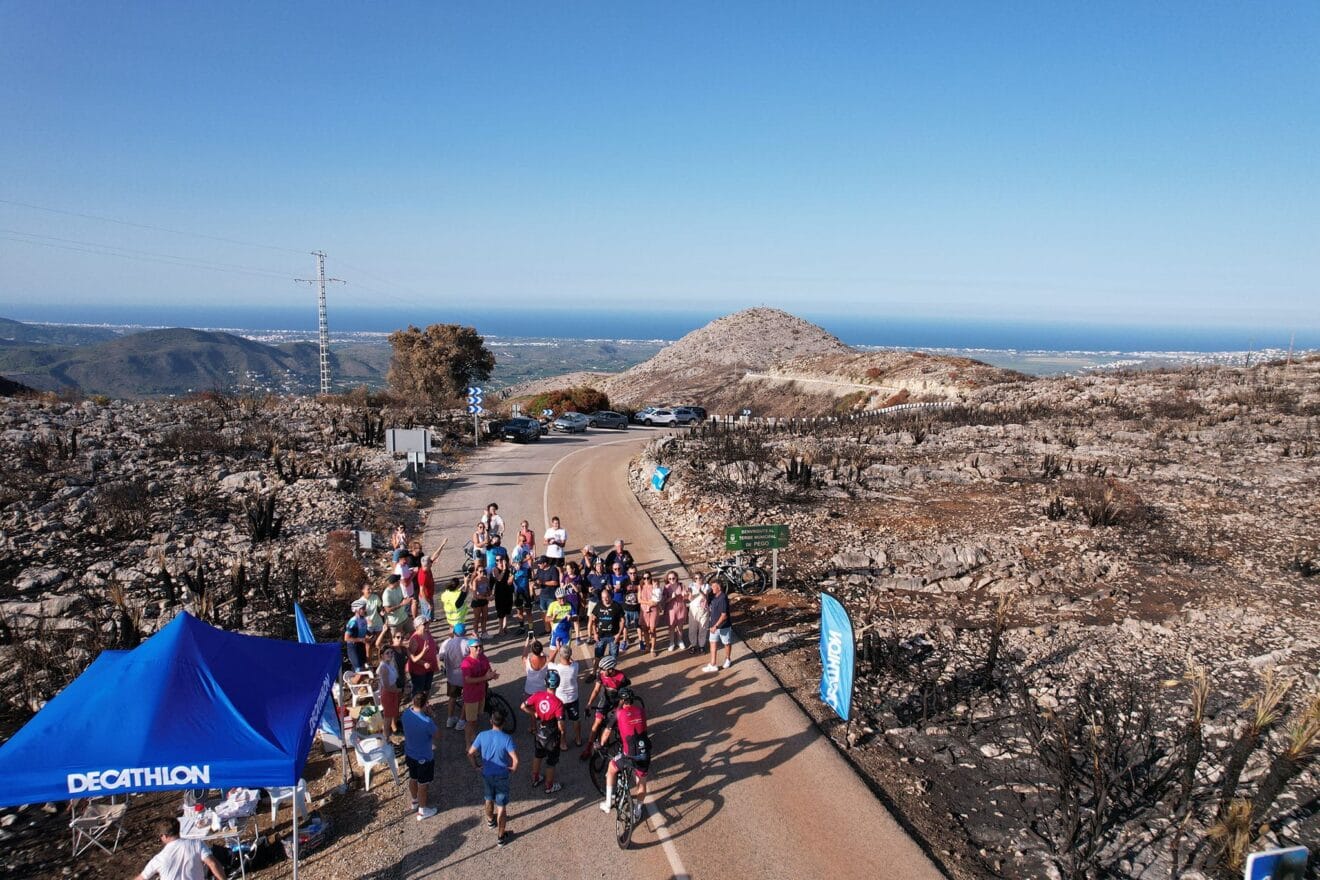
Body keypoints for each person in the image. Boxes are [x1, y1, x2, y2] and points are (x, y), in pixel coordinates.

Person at [468, 709, 518, 847]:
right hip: (502, 776)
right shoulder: (507, 738)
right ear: (503, 723)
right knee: (501, 807)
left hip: (487, 774)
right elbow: (515, 760)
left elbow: (470, 753)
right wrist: (513, 768)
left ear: (491, 721)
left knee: (488, 798)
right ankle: (501, 837)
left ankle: (490, 820)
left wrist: (476, 766)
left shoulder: (482, 735)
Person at [599, 686, 650, 819]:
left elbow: (606, 734)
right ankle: (638, 810)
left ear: (621, 700)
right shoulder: (640, 711)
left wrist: (600, 744)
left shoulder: (619, 713)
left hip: (629, 754)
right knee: (642, 782)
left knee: (611, 768)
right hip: (644, 752)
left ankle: (608, 803)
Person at [521, 669, 566, 794]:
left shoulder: (538, 695)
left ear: (545, 682)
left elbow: (523, 706)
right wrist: (562, 735)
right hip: (552, 735)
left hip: (540, 731)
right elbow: (561, 724)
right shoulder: (558, 703)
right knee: (551, 762)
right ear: (557, 684)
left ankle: (535, 778)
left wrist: (534, 713)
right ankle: (549, 786)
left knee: (538, 755)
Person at [133, 819, 225, 880]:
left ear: (164, 836)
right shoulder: (197, 844)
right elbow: (212, 864)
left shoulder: (158, 859)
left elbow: (142, 878)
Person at [402, 692, 444, 820]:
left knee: (413, 778)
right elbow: (438, 736)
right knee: (423, 784)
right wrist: (431, 715)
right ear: (426, 704)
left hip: (410, 753)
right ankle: (422, 810)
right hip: (424, 757)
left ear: (413, 702)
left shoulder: (405, 714)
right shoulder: (427, 721)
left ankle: (414, 801)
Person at [581, 654, 629, 759]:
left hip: (618, 702)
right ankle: (588, 748)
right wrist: (589, 704)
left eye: (603, 669)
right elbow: (596, 690)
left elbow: (624, 698)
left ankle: (625, 747)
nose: (601, 671)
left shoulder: (621, 678)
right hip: (606, 700)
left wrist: (618, 712)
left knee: (620, 725)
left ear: (611, 669)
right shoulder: (601, 674)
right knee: (596, 723)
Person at [460, 637, 498, 748]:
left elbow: (488, 671)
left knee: (475, 718)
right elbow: (468, 680)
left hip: (481, 693)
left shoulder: (483, 658)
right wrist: (485, 677)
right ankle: (468, 744)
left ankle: (473, 735)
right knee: (470, 721)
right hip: (471, 696)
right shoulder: (466, 663)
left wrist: (492, 675)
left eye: (480, 646)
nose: (479, 649)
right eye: (476, 647)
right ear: (470, 648)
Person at [548, 645, 583, 746]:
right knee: (576, 719)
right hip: (573, 698)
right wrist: (567, 654)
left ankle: (563, 742)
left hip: (560, 700)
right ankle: (578, 739)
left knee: (561, 720)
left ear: (560, 655)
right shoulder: (575, 666)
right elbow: (572, 660)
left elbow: (550, 661)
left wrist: (557, 650)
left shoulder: (556, 668)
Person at [440, 622, 469, 730]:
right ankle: (461, 721)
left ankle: (450, 719)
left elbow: (441, 657)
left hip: (452, 675)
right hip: (466, 676)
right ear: (465, 632)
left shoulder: (447, 643)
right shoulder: (467, 643)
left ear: (454, 632)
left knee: (452, 697)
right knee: (467, 698)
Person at [702, 578, 733, 672]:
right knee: (712, 643)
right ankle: (713, 664)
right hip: (713, 626)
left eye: (713, 587)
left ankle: (728, 659)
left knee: (726, 643)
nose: (712, 588)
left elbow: (724, 615)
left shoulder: (723, 598)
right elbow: (708, 603)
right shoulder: (714, 596)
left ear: (719, 587)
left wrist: (716, 626)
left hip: (723, 626)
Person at [589, 588, 623, 670]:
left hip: (613, 636)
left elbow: (622, 621)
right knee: (597, 657)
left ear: (610, 596)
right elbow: (593, 620)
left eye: (607, 597)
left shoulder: (617, 606)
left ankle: (611, 674)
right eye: (603, 597)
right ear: (601, 598)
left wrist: (619, 634)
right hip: (601, 636)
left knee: (613, 657)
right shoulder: (598, 605)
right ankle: (594, 673)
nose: (605, 599)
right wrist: (595, 633)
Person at [407, 616, 439, 699]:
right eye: (425, 623)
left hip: (430, 666)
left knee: (427, 688)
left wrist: (436, 646)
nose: (427, 624)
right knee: (418, 691)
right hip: (419, 670)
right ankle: (417, 708)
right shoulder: (414, 639)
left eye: (427, 622)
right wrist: (423, 663)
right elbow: (412, 657)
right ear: (418, 626)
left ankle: (425, 705)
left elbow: (431, 641)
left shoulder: (427, 632)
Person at [377, 645, 403, 736]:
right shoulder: (383, 667)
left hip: (393, 692)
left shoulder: (390, 664)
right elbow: (386, 686)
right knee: (387, 719)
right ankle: (386, 740)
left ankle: (387, 738)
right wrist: (398, 690)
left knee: (390, 716)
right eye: (387, 653)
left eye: (391, 652)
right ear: (382, 655)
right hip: (388, 694)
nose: (390, 654)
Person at [380, 573, 412, 645]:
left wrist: (406, 600)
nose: (400, 581)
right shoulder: (386, 594)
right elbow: (387, 609)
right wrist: (401, 604)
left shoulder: (398, 587)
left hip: (404, 617)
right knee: (395, 642)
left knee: (412, 633)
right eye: (398, 580)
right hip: (394, 622)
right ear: (395, 582)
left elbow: (402, 598)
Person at [663, 570, 689, 652]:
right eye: (669, 579)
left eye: (673, 578)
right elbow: (664, 601)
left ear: (676, 577)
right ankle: (671, 642)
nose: (671, 580)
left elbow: (686, 598)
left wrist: (685, 595)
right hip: (670, 610)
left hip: (681, 608)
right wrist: (671, 597)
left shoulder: (681, 585)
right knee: (671, 627)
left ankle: (680, 641)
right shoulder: (666, 587)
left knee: (680, 627)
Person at [637, 572, 662, 655]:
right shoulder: (640, 586)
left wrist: (652, 603)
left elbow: (657, 600)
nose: (646, 580)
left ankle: (652, 649)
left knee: (652, 629)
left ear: (651, 577)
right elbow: (639, 600)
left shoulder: (654, 586)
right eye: (644, 578)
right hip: (644, 610)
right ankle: (647, 646)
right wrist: (649, 603)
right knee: (645, 629)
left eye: (648, 578)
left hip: (653, 610)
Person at [687, 572, 711, 655]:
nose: (698, 580)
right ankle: (693, 645)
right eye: (696, 578)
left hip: (703, 610)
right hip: (693, 609)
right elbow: (690, 598)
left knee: (703, 628)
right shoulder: (691, 585)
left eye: (699, 578)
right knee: (692, 628)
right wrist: (692, 593)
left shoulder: (706, 586)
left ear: (702, 578)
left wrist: (700, 591)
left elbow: (706, 597)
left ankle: (701, 646)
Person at [489, 555, 514, 634]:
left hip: (508, 591)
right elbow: (499, 578)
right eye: (497, 560)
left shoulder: (508, 568)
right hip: (499, 593)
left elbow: (510, 579)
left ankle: (505, 627)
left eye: (500, 559)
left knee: (507, 610)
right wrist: (503, 569)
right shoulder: (495, 569)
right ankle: (500, 629)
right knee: (500, 612)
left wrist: (511, 571)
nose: (499, 561)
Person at [344, 599, 371, 672]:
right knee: (359, 670)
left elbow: (364, 631)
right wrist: (361, 639)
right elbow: (346, 638)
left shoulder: (364, 619)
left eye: (365, 608)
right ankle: (350, 680)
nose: (365, 610)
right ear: (357, 610)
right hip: (353, 647)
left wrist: (369, 635)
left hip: (361, 645)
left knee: (363, 667)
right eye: (363, 608)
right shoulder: (353, 622)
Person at [359, 582, 384, 662]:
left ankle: (378, 660)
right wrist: (366, 619)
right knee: (368, 644)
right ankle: (369, 661)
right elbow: (359, 615)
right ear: (363, 590)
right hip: (368, 626)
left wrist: (381, 612)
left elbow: (380, 608)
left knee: (378, 643)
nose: (370, 590)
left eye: (371, 589)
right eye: (368, 589)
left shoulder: (375, 597)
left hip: (378, 622)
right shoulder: (360, 601)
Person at [522, 634, 548, 704]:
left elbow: (524, 656)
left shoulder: (527, 661)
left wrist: (526, 644)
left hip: (529, 690)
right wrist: (536, 643)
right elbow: (543, 653)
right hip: (542, 689)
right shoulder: (546, 659)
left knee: (531, 708)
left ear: (531, 650)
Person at [511, 554, 534, 634]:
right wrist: (513, 574)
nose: (518, 564)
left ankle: (531, 629)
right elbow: (509, 582)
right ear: (513, 563)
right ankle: (522, 628)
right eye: (516, 562)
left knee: (528, 612)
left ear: (521, 563)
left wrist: (532, 593)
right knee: (519, 611)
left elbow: (531, 582)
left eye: (519, 562)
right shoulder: (512, 570)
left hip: (526, 594)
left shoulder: (527, 570)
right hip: (517, 594)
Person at [468, 566, 491, 637]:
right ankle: (475, 634)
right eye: (480, 571)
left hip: (484, 600)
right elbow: (475, 595)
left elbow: (488, 590)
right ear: (477, 572)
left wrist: (490, 595)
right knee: (477, 619)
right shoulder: (475, 581)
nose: (482, 572)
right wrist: (487, 598)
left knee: (485, 617)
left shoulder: (486, 579)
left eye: (483, 571)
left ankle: (484, 633)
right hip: (477, 602)